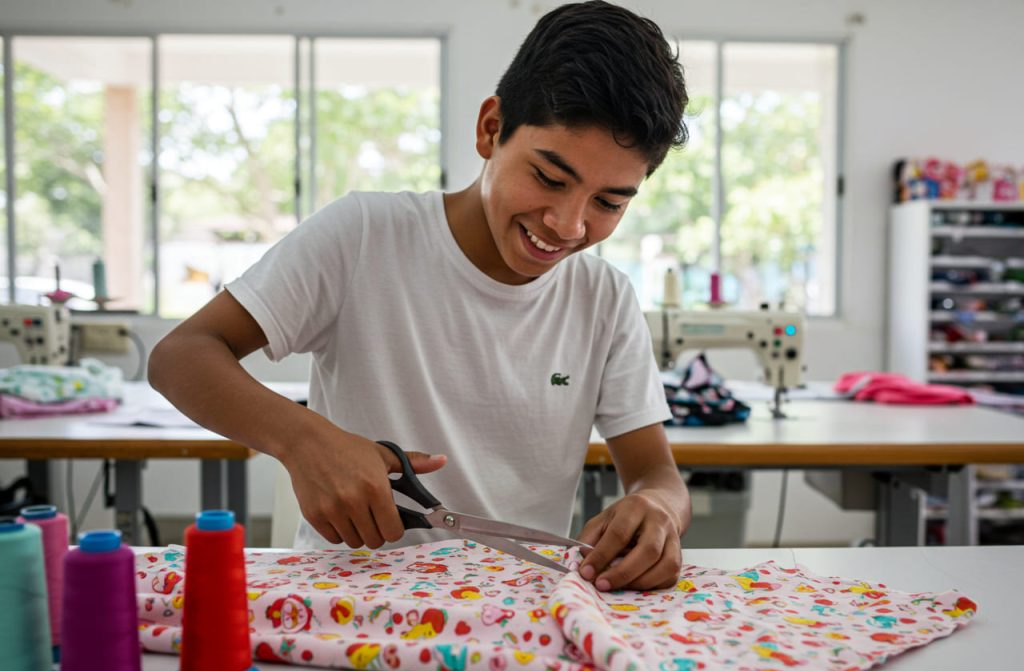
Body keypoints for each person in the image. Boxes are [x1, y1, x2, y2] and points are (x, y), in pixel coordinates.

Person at [149, 0, 692, 592]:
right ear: (491, 129)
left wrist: (659, 510)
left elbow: (654, 474)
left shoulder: (604, 298)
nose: (568, 224)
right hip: (347, 602)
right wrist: (303, 440)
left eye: (609, 203)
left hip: (519, 610)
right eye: (549, 179)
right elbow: (181, 355)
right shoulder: (364, 235)